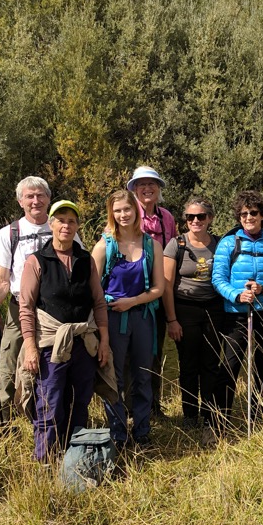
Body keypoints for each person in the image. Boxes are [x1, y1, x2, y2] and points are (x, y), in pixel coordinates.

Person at [19, 200, 112, 462]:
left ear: (77, 226)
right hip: (50, 344)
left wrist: (104, 342)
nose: (66, 225)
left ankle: (75, 461)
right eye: (60, 220)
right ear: (51, 224)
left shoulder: (85, 261)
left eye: (72, 221)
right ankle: (45, 463)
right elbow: (26, 308)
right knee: (50, 406)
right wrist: (30, 348)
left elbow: (98, 302)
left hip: (83, 343)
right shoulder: (37, 261)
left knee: (79, 404)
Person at [213, 190, 263, 445]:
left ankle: (260, 420)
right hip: (237, 315)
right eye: (243, 214)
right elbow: (218, 279)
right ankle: (218, 424)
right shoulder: (228, 243)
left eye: (253, 213)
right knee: (230, 367)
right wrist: (236, 295)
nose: (248, 217)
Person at [93, 190, 164, 449]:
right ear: (111, 213)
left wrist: (132, 302)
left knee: (143, 375)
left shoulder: (151, 245)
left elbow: (158, 288)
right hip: (111, 319)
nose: (123, 215)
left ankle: (142, 431)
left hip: (143, 316)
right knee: (114, 378)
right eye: (118, 210)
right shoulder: (104, 245)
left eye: (127, 209)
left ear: (136, 210)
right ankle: (118, 433)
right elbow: (93, 288)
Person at [0, 175, 54, 428]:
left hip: (53, 312)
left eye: (40, 195)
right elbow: (2, 280)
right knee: (7, 368)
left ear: (48, 198)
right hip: (18, 309)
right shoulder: (8, 234)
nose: (35, 201)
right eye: (29, 196)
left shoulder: (61, 227)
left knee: (52, 367)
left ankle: (48, 422)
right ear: (20, 201)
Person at [162, 196, 228, 437]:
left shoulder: (221, 244)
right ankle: (189, 414)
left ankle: (210, 413)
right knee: (188, 364)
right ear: (185, 219)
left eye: (201, 216)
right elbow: (167, 286)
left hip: (213, 308)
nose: (195, 221)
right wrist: (172, 320)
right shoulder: (176, 245)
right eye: (190, 217)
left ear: (210, 218)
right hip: (184, 309)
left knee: (210, 363)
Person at [127, 166, 177, 418]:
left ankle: (152, 405)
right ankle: (127, 406)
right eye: (141, 184)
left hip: (157, 293)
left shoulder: (166, 217)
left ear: (159, 189)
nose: (147, 188)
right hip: (130, 292)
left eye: (152, 184)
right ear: (134, 189)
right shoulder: (127, 213)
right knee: (127, 353)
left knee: (154, 351)